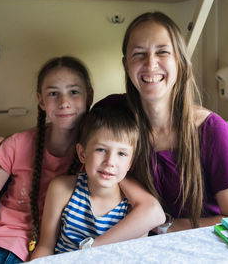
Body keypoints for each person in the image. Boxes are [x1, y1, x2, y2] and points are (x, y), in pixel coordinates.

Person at [0, 11, 228, 235]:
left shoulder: (213, 132)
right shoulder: (111, 112)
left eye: (162, 52)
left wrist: (165, 227)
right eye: (139, 54)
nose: (150, 63)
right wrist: (3, 151)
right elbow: (66, 137)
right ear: (126, 65)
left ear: (181, 63)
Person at [0, 56, 165, 264]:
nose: (64, 102)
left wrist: (94, 247)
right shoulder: (16, 145)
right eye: (53, 93)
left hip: (44, 254)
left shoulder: (98, 155)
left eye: (74, 92)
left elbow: (150, 210)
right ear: (41, 100)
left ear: (89, 96)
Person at [31, 106, 158, 259]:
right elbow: (45, 246)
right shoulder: (61, 189)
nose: (110, 162)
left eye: (121, 153)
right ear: (82, 153)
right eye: (101, 150)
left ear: (130, 162)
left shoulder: (133, 209)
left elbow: (134, 257)